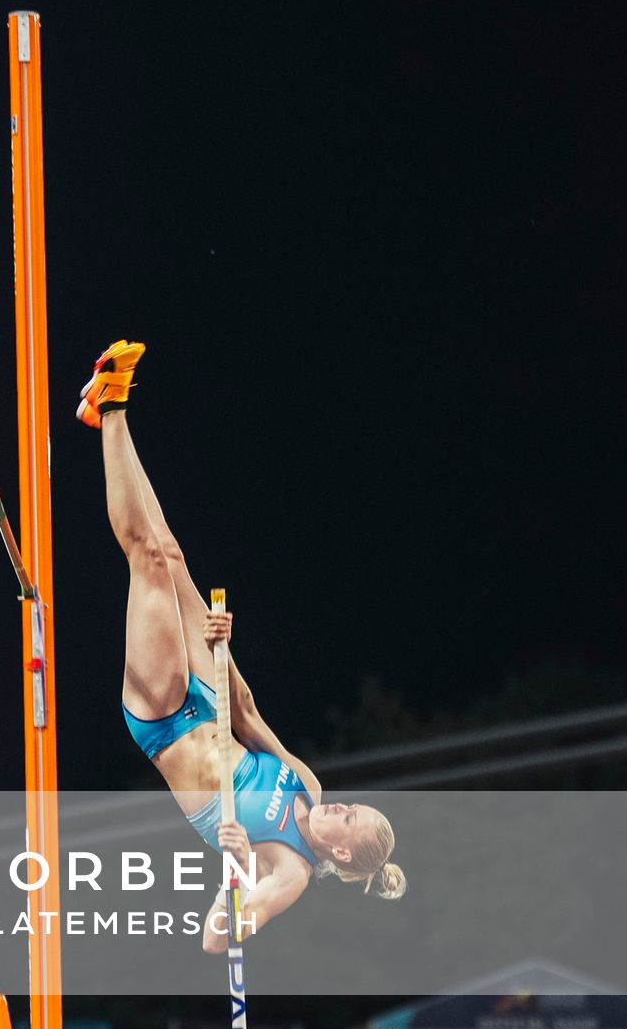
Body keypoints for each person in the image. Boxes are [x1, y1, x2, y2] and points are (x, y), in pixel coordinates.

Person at [78, 340, 407, 956]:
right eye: (355, 805)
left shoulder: (290, 871)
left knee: (147, 563)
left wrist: (233, 873)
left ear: (338, 849)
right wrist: (223, 648)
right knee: (171, 553)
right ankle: (104, 411)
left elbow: (215, 937)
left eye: (349, 816)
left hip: (167, 727)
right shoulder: (305, 786)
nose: (341, 804)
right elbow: (249, 716)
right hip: (211, 695)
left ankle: (113, 405)